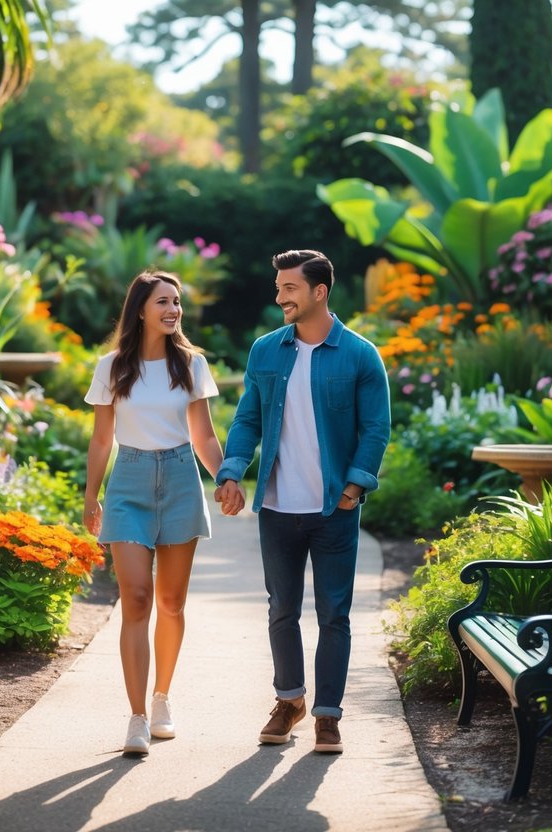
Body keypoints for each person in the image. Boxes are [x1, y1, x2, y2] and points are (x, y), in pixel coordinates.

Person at [214, 248, 390, 754]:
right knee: (281, 610)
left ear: (319, 291)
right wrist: (231, 471)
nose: (279, 297)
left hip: (335, 508)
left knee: (334, 613)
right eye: (278, 287)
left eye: (289, 288)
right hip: (278, 507)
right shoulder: (266, 350)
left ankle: (328, 716)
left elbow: (376, 428)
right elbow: (248, 418)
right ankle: (289, 701)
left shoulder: (359, 354)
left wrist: (354, 488)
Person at [84, 270, 242, 756]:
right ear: (140, 309)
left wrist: (226, 476)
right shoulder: (112, 366)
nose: (173, 310)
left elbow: (204, 436)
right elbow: (102, 438)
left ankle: (161, 700)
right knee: (135, 597)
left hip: (179, 480)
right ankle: (135, 718)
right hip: (129, 481)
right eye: (163, 302)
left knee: (171, 603)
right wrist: (91, 496)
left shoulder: (191, 365)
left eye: (177, 302)